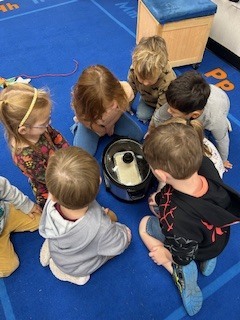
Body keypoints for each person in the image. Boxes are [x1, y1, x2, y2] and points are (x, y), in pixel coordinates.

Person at [139, 123, 240, 316]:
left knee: (144, 225)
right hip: (217, 237)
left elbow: (183, 252)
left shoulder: (177, 218)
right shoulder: (206, 165)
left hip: (192, 249)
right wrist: (160, 198)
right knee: (197, 232)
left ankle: (182, 275)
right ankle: (210, 257)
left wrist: (167, 256)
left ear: (160, 174)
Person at [39, 146, 131, 285]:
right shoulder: (101, 227)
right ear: (99, 181)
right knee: (125, 237)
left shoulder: (50, 204)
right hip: (75, 266)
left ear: (52, 194)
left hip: (58, 242)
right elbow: (118, 244)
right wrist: (119, 228)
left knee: (62, 242)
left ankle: (53, 253)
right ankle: (69, 273)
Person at [0, 83, 69, 208]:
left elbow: (55, 136)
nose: (48, 123)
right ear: (23, 130)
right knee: (62, 204)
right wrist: (70, 174)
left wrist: (69, 152)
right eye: (44, 122)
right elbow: (47, 178)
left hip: (58, 164)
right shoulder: (25, 157)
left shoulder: (40, 126)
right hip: (49, 183)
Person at [148, 70, 232, 169]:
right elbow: (158, 118)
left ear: (195, 115)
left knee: (200, 141)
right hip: (203, 103)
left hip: (220, 107)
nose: (168, 111)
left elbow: (222, 140)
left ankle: (225, 123)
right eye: (169, 106)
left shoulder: (215, 119)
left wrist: (223, 160)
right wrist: (152, 132)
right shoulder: (178, 102)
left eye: (173, 111)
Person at [70, 65, 144, 156]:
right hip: (92, 125)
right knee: (81, 154)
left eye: (111, 105)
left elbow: (122, 108)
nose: (108, 111)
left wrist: (110, 125)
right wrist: (99, 129)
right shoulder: (82, 109)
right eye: (100, 112)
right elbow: (83, 120)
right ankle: (77, 128)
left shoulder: (126, 92)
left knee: (137, 136)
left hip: (114, 120)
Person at [127, 35, 176, 123]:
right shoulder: (135, 69)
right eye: (141, 78)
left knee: (164, 120)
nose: (145, 83)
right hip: (148, 98)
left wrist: (152, 128)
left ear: (161, 69)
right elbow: (131, 88)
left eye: (150, 79)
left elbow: (161, 108)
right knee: (142, 116)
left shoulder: (168, 81)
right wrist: (127, 104)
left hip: (165, 102)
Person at [0, 176, 42, 277]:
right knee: (9, 267)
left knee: (42, 219)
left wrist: (26, 205)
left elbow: (6, 189)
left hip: (6, 214)